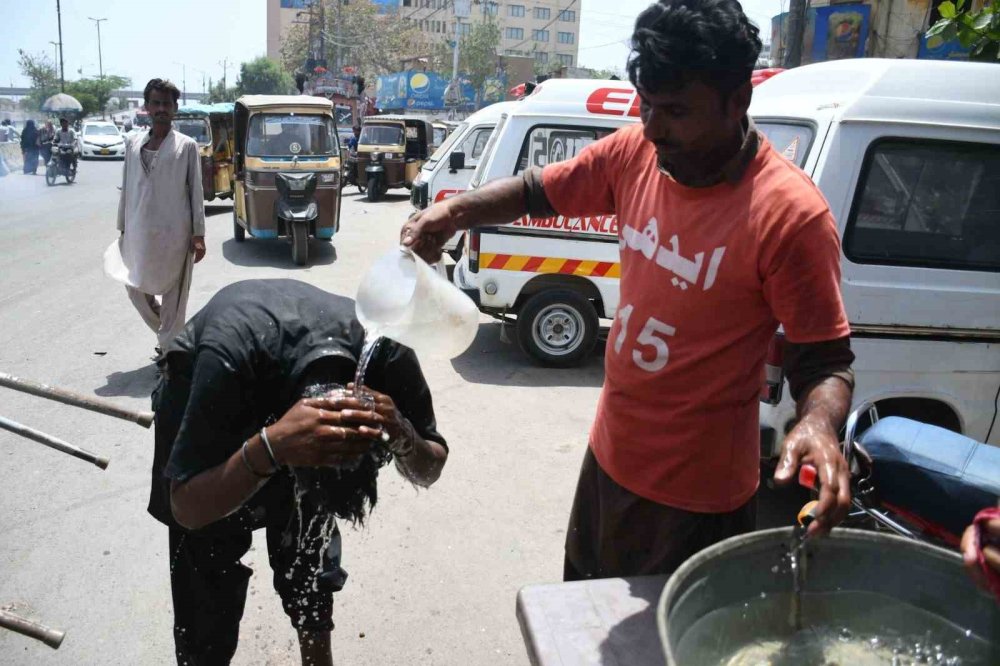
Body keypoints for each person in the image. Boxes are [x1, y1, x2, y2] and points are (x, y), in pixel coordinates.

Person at [403, 0, 855, 581]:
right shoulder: (635, 154)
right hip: (609, 462)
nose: (652, 127)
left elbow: (825, 360)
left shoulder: (790, 217)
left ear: (737, 102)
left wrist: (817, 424)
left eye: (675, 111)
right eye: (646, 105)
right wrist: (455, 211)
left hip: (700, 500)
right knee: (580, 618)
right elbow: (539, 190)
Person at [152, 278, 448, 665]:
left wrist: (402, 431)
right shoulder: (229, 356)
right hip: (217, 399)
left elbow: (432, 465)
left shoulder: (384, 354)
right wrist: (270, 448)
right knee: (206, 597)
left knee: (310, 567)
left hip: (278, 389)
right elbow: (187, 508)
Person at [105, 78, 206, 357]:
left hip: (177, 234)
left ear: (175, 108)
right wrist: (122, 227)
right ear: (147, 107)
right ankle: (174, 338)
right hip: (139, 233)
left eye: (167, 103)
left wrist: (198, 235)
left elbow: (195, 192)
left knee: (175, 297)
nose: (161, 108)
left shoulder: (186, 146)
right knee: (134, 287)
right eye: (156, 103)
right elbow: (127, 187)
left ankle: (170, 353)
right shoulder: (133, 143)